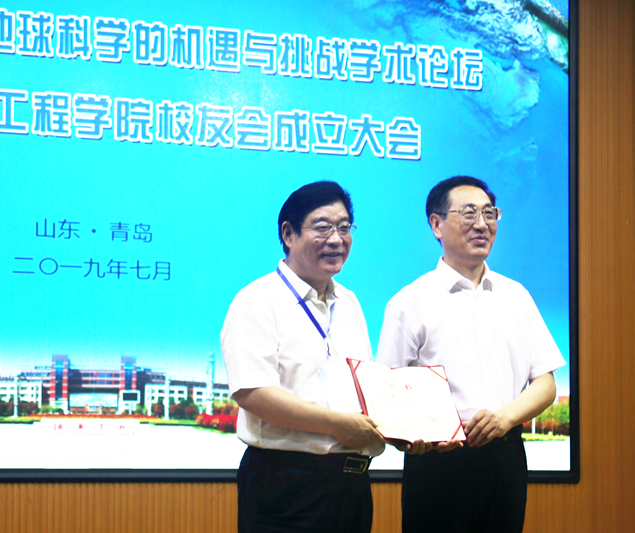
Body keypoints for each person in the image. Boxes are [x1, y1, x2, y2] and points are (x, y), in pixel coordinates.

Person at [376, 176, 566, 533]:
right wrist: (411, 435)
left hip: (506, 457)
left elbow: (545, 383)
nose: (482, 224)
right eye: (468, 213)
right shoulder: (409, 302)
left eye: (489, 214)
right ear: (436, 224)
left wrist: (505, 419)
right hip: (439, 464)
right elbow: (387, 393)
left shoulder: (516, 296)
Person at [221, 181, 385, 533]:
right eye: (322, 227)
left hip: (352, 485)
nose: (336, 239)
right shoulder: (256, 300)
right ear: (288, 234)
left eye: (344, 227)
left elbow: (365, 389)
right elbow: (254, 393)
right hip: (286, 485)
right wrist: (337, 424)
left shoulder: (350, 302)